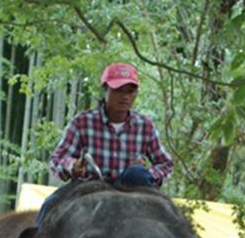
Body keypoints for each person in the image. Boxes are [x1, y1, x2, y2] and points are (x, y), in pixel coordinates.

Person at [38, 62, 173, 222]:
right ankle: (37, 236)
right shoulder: (83, 122)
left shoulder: (145, 126)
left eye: (130, 91)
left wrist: (147, 173)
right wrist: (71, 166)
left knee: (138, 175)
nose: (125, 96)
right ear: (105, 90)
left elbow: (166, 164)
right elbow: (57, 159)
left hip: (129, 189)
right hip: (89, 187)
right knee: (50, 204)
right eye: (118, 90)